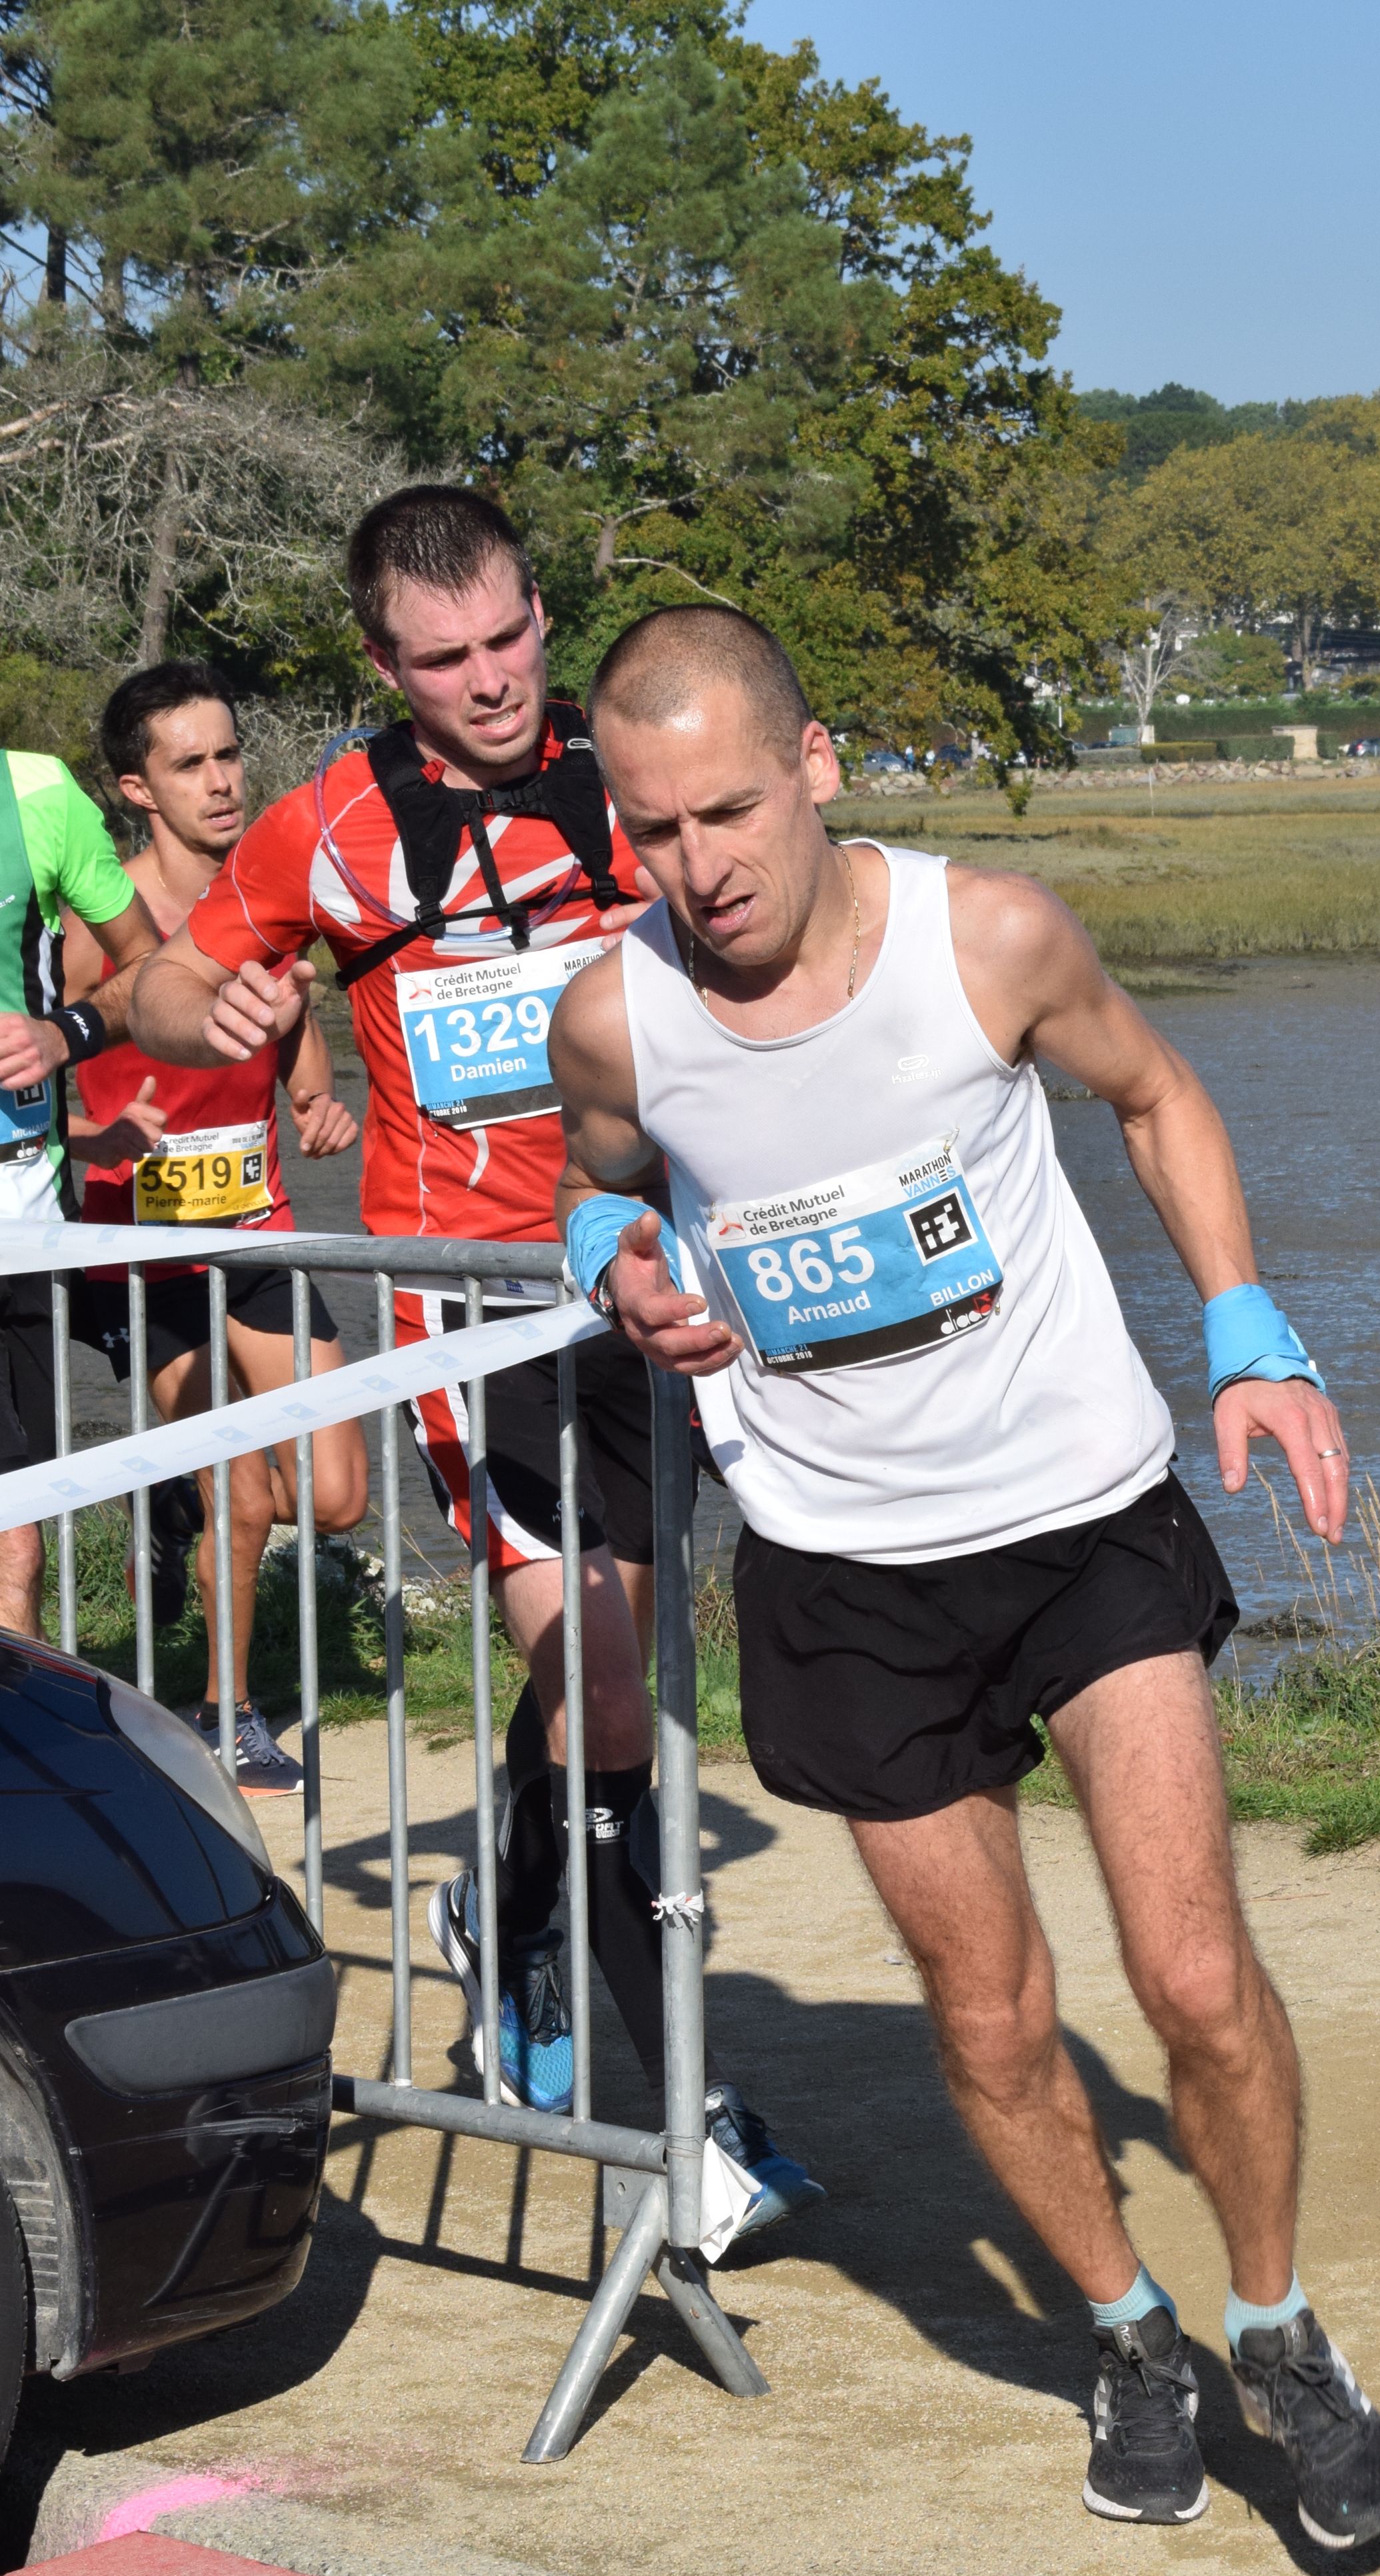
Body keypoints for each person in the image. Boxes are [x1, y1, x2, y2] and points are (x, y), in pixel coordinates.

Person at [550, 605, 1380, 2552]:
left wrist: (1250, 1329)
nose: (700, 865)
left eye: (728, 810)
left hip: (1079, 1522)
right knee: (994, 2020)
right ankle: (1130, 2338)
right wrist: (612, 1258)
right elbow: (591, 1172)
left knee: (1194, 1980)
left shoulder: (989, 939)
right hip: (846, 1572)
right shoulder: (618, 1017)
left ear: (815, 765)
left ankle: (1276, 2331)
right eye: (654, 828)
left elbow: (1156, 1093)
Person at [127, 494, 818, 2231]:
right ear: (385, 666)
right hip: (475, 1301)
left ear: (542, 614)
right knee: (605, 1688)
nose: (493, 681)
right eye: (445, 660)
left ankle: (503, 1922)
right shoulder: (331, 824)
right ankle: (692, 2131)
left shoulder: (629, 774)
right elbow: (165, 988)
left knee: (607, 1675)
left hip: (655, 1274)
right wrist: (206, 1012)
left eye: (511, 637)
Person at [67, 661, 370, 1792]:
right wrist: (93, 1138)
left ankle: (170, 1499)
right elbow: (27, 1071)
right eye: (190, 763)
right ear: (136, 789)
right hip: (141, 1256)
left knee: (334, 1497)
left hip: (258, 1233)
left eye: (230, 754)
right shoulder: (99, 924)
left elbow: (292, 1030)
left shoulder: (263, 903)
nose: (222, 780)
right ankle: (226, 1716)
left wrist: (315, 1099)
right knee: (241, 1494)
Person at [0, 748, 161, 1640]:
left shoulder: (36, 792)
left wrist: (64, 1035)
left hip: (26, 1219)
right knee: (12, 1543)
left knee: (19, 1532)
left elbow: (151, 967)